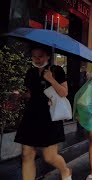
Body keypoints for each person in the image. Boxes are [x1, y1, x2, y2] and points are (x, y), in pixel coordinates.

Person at [14, 47, 72, 180]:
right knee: (27, 154)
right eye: (34, 56)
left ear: (48, 56)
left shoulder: (57, 70)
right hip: (31, 116)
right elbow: (31, 94)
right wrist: (20, 95)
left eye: (40, 56)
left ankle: (66, 170)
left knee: (49, 157)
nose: (37, 59)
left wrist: (51, 79)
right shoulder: (30, 72)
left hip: (49, 117)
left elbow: (64, 93)